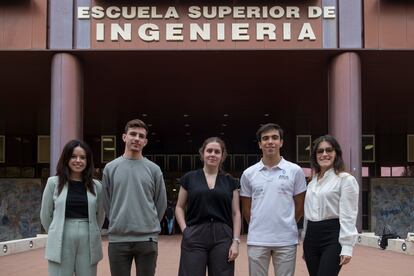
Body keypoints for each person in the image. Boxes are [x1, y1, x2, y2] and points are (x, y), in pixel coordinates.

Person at [102, 119, 167, 276]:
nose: (136, 138)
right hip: (118, 240)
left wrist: (148, 224)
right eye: (133, 134)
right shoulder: (110, 168)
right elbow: (106, 202)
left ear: (145, 141)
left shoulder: (154, 170)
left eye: (141, 136)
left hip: (147, 239)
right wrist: (118, 221)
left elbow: (161, 202)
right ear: (124, 137)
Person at [240, 123, 307, 276]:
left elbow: (299, 207)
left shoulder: (295, 171)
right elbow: (246, 210)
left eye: (275, 138)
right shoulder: (248, 174)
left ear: (281, 142)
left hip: (286, 240)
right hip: (257, 239)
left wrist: (285, 223)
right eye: (265, 138)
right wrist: (260, 226)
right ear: (259, 144)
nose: (270, 141)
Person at [175, 137, 241, 276]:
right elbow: (179, 207)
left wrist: (235, 241)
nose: (212, 154)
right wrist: (185, 230)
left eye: (217, 152)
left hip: (223, 235)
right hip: (195, 233)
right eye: (209, 150)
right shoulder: (189, 178)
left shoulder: (230, 181)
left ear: (222, 156)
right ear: (202, 153)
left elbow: (236, 213)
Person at [40, 139, 105, 276]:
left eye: (82, 157)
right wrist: (55, 230)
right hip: (60, 237)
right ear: (66, 158)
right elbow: (46, 215)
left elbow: (100, 215)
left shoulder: (96, 186)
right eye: (73, 156)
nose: (78, 160)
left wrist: (92, 230)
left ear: (88, 161)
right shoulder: (53, 183)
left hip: (88, 238)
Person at [303, 135, 359, 276]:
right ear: (315, 156)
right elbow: (307, 214)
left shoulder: (345, 180)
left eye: (329, 150)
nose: (324, 154)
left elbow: (349, 215)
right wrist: (305, 240)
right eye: (320, 151)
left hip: (332, 236)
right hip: (311, 237)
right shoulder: (312, 182)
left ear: (336, 154)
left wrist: (347, 246)